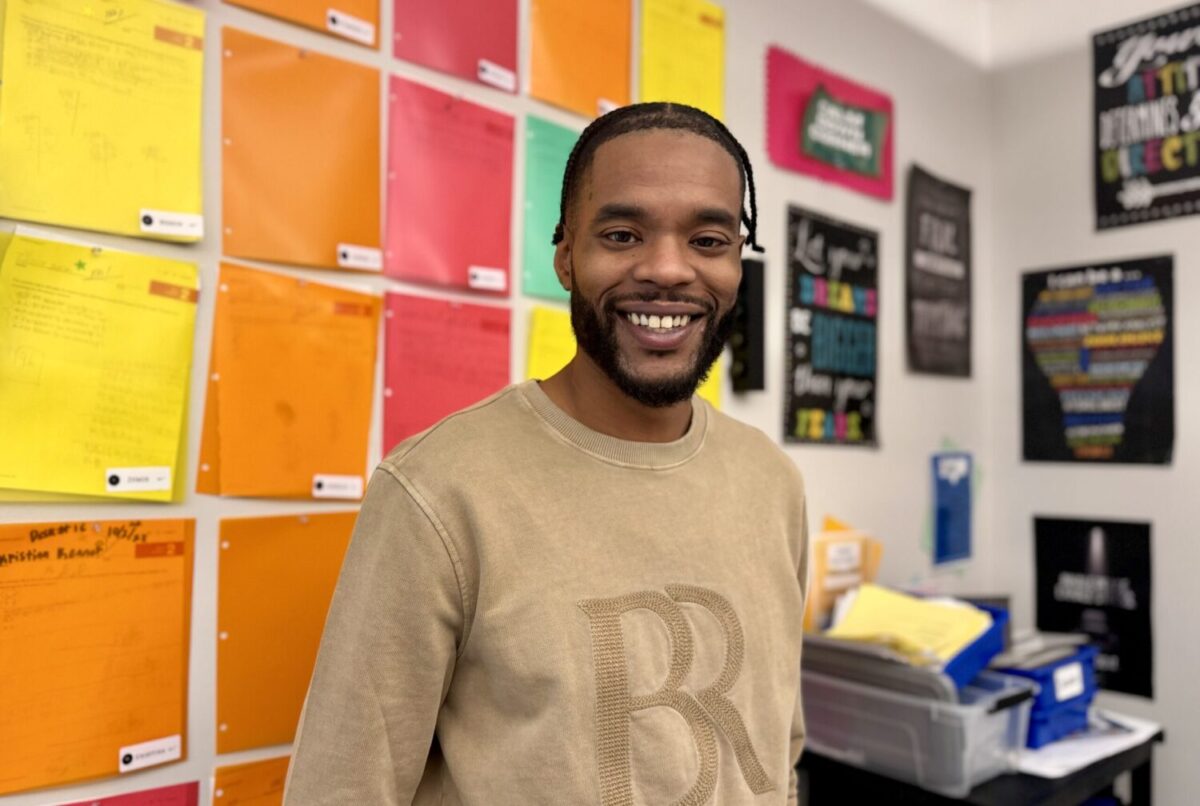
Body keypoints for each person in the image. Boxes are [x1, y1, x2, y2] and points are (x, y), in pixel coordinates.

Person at [284, 102, 809, 805]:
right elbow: (341, 788)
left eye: (708, 240)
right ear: (565, 256)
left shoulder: (771, 483)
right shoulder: (439, 491)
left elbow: (779, 751)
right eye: (622, 234)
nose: (667, 269)